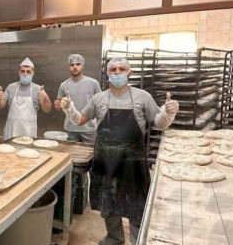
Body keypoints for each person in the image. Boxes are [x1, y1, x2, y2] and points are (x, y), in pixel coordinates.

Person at [61, 57, 179, 245]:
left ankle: (138, 240)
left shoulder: (142, 97)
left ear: (129, 72)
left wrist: (168, 113)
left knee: (136, 203)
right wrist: (70, 110)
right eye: (113, 69)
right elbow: (80, 120)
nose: (117, 72)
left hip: (133, 163)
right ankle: (114, 237)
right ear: (107, 73)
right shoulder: (99, 98)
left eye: (121, 69)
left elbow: (159, 123)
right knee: (108, 202)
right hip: (106, 162)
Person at [0, 57, 51, 139]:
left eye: (28, 71)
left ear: (33, 73)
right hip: (11, 131)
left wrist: (46, 98)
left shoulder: (38, 89)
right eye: (23, 71)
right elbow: (0, 106)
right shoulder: (11, 87)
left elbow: (47, 110)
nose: (25, 74)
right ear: (19, 72)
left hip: (28, 131)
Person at [54, 53, 101, 144]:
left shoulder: (93, 83)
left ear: (82, 66)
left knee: (90, 152)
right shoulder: (63, 85)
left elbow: (100, 104)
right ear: (69, 67)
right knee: (73, 152)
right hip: (71, 128)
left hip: (89, 128)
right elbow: (60, 105)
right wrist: (58, 106)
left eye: (78, 64)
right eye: (72, 65)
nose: (75, 67)